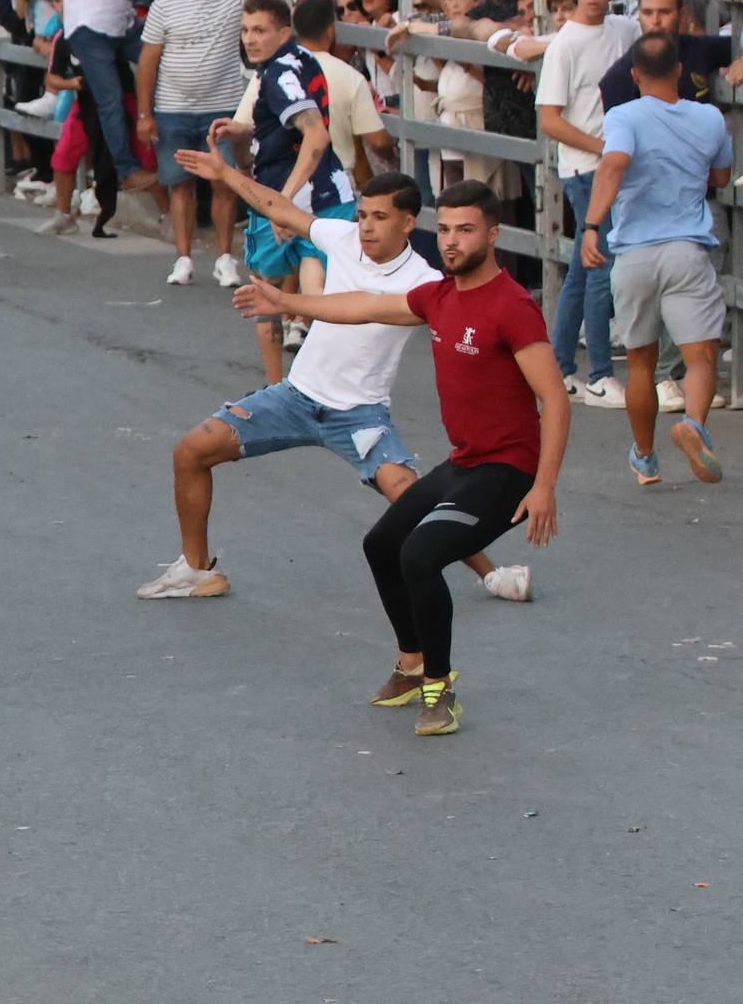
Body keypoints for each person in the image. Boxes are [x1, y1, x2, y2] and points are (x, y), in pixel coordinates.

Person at [236, 180, 567, 738]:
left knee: (420, 555)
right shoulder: (439, 296)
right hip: (465, 463)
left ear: (493, 234)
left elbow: (554, 398)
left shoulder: (512, 307)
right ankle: (412, 665)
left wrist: (545, 486)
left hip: (508, 471)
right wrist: (288, 302)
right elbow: (366, 305)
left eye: (466, 230)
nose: (453, 242)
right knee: (382, 544)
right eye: (446, 231)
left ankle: (440, 689)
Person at [143, 165, 526, 605]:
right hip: (293, 397)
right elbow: (279, 209)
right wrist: (224, 172)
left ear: (407, 223)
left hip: (360, 416)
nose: (365, 227)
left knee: (409, 494)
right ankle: (196, 570)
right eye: (362, 215)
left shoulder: (424, 282)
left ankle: (492, 574)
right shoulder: (342, 238)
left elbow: (447, 320)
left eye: (379, 217)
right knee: (191, 451)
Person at [134, 0, 325, 286]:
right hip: (173, 107)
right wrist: (145, 115)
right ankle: (183, 257)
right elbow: (148, 60)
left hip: (223, 106)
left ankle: (224, 258)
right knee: (180, 184)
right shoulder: (165, 3)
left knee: (225, 183)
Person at [584, 34, 732, 486]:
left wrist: (593, 225)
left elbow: (614, 164)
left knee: (641, 363)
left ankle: (645, 458)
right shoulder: (709, 117)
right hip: (686, 249)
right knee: (701, 355)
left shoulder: (623, 115)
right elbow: (721, 177)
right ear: (680, 70)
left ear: (633, 75)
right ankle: (694, 424)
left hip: (634, 255)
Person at [215, 0, 352, 380]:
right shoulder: (301, 59)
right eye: (244, 30)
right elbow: (293, 126)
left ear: (283, 31)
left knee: (266, 293)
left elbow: (315, 135)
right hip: (332, 191)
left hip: (288, 194)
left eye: (259, 30)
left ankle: (280, 387)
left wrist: (285, 201)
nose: (250, 38)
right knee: (318, 287)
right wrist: (247, 129)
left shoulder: (277, 74)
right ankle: (321, 382)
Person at [533, 0, 634, 403]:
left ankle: (560, 366)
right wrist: (603, 148)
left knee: (581, 267)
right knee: (599, 265)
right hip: (584, 169)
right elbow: (549, 120)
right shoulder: (564, 45)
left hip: (612, 164)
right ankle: (598, 375)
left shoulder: (626, 29)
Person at [56, 0, 146, 195]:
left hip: (120, 25)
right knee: (109, 100)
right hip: (90, 29)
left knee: (162, 62)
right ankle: (126, 169)